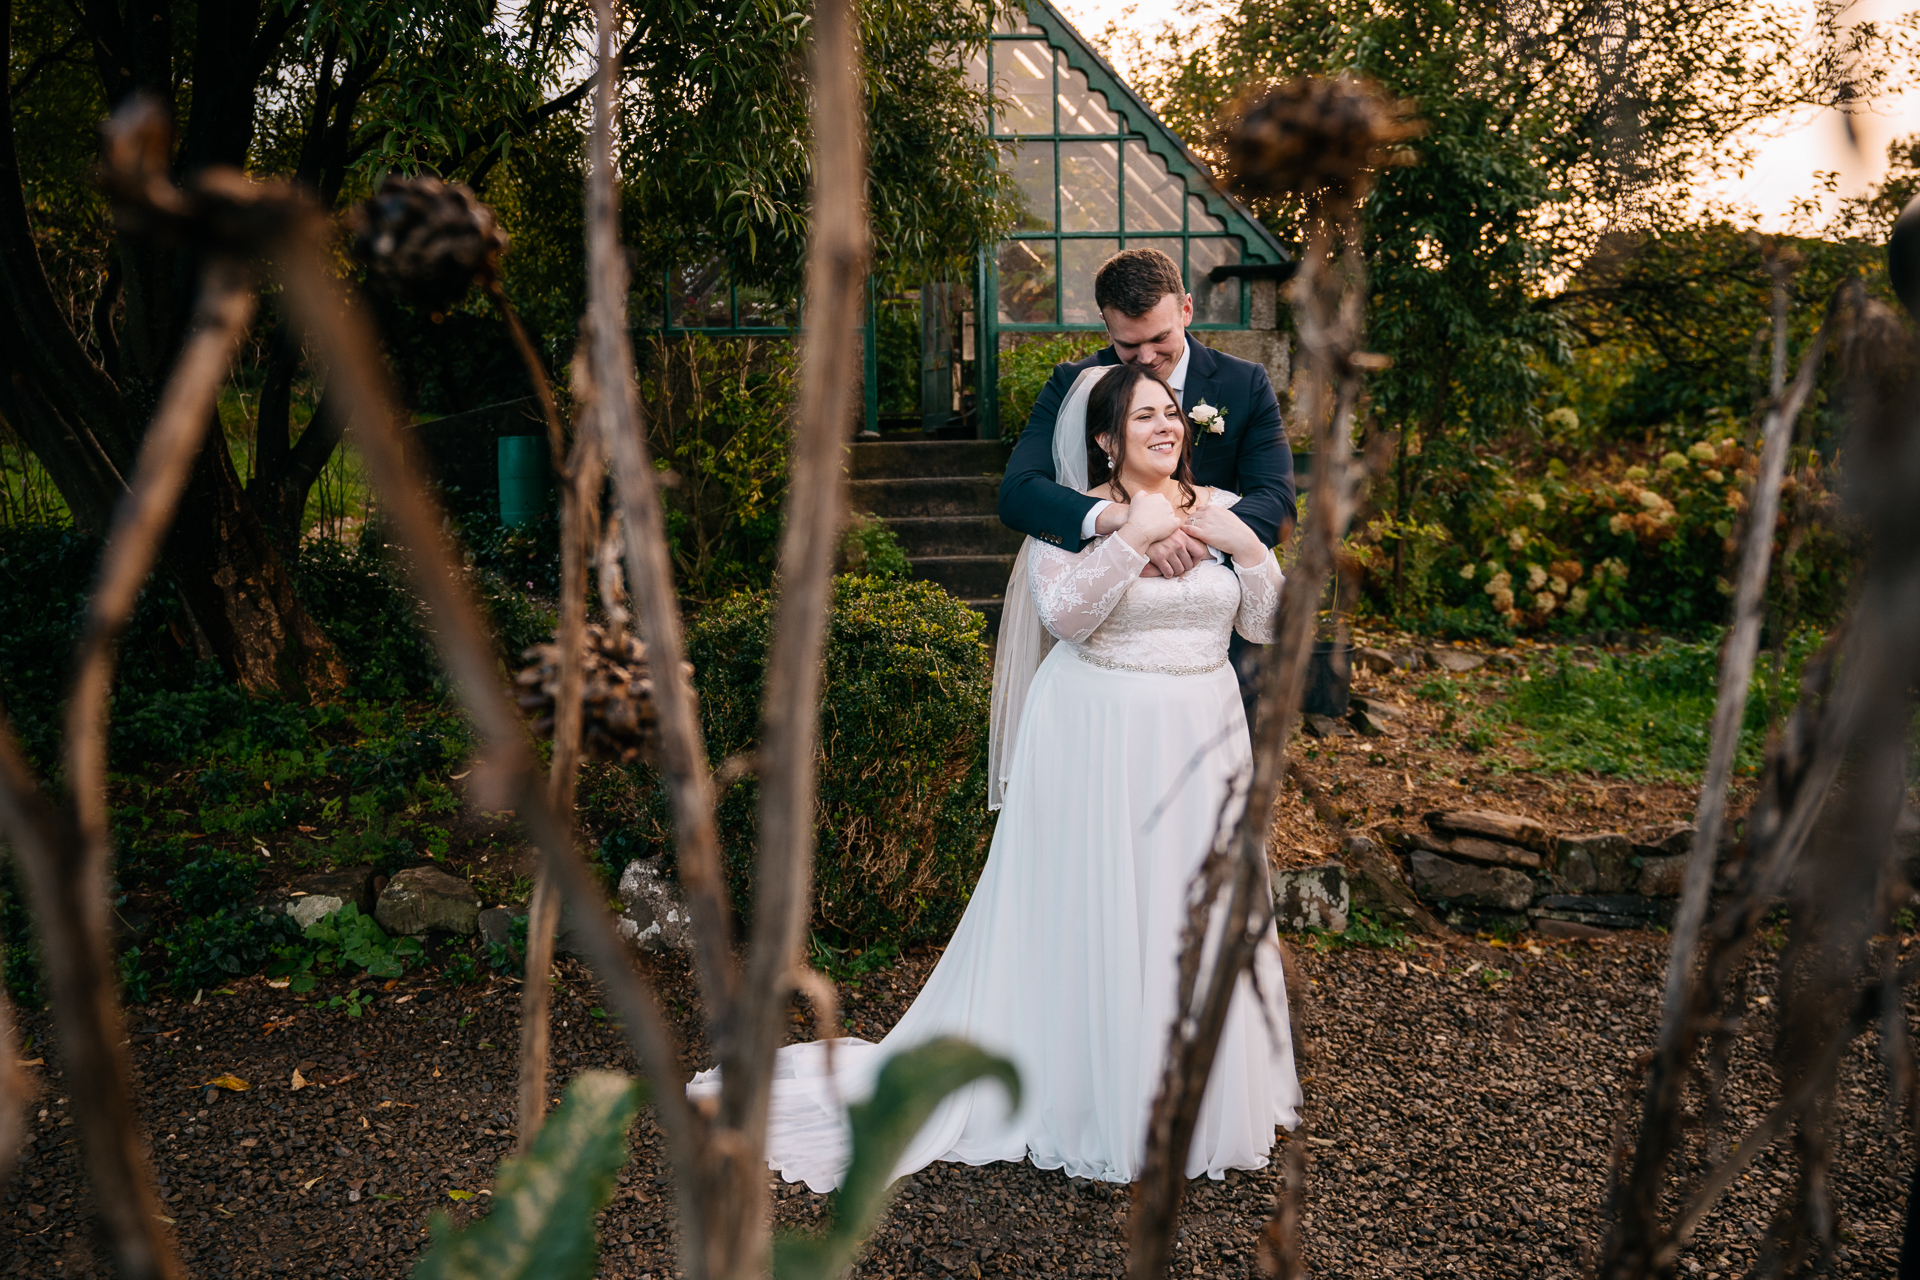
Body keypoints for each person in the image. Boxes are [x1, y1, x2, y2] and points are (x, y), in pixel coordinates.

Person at [692, 361, 1299, 1192]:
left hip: (1205, 734)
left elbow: (1268, 622)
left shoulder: (1222, 514)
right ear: (1104, 439)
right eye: (1144, 416)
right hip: (1103, 734)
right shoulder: (1068, 520)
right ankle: (1098, 1095)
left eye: (1172, 413)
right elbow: (1068, 617)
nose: (1166, 426)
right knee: (1107, 907)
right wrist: (1131, 536)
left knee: (1191, 909)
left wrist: (1247, 545)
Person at [998, 247, 1296, 714]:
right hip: (1109, 643)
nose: (1146, 357)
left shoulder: (1244, 383)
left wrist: (1193, 537)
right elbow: (1019, 493)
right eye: (1128, 345)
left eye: (1160, 339)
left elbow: (1276, 499)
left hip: (1214, 642)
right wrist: (1130, 526)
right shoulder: (1074, 385)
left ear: (1186, 309)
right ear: (1106, 326)